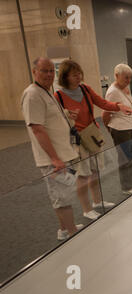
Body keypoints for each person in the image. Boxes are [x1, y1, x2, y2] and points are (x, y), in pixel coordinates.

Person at [55, 59, 132, 219]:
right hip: (76, 140)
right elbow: (55, 120)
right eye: (74, 75)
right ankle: (86, 208)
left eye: (79, 74)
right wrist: (66, 114)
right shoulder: (59, 96)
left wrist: (118, 106)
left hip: (92, 134)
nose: (78, 78)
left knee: (95, 170)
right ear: (65, 77)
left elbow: (102, 103)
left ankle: (97, 201)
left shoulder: (85, 89)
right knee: (83, 175)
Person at [21, 57, 82, 240]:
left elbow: (48, 119)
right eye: (44, 71)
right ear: (34, 72)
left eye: (50, 71)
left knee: (61, 195)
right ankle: (71, 233)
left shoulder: (45, 91)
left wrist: (66, 114)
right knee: (62, 197)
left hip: (61, 155)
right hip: (52, 159)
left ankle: (64, 230)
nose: (48, 74)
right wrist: (55, 159)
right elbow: (37, 129)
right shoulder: (32, 95)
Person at [103, 63, 132, 195]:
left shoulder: (124, 88)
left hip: (130, 127)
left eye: (130, 78)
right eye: (126, 78)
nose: (128, 81)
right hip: (121, 129)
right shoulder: (112, 92)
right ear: (116, 76)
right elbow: (106, 114)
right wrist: (110, 129)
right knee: (125, 158)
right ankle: (126, 186)